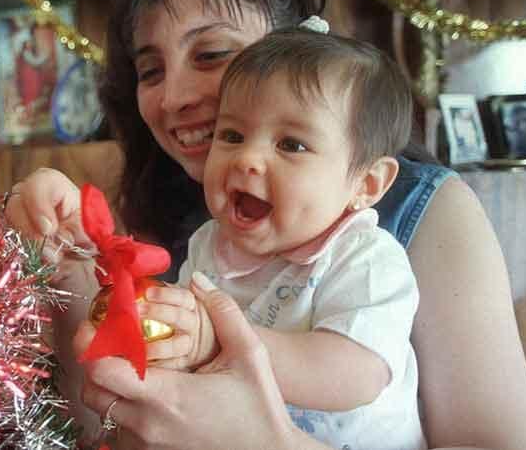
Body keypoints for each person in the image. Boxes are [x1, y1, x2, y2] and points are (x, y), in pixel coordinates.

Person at [4, 0, 526, 450]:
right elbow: (101, 424)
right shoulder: (192, 225)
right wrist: (68, 262)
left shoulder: (401, 227)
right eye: (151, 71)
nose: (173, 98)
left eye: (211, 54)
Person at [143, 25, 424, 449]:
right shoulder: (209, 245)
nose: (247, 159)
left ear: (366, 184)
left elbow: (353, 374)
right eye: (232, 135)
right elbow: (187, 346)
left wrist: (216, 341)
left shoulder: (363, 258)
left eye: (292, 144)